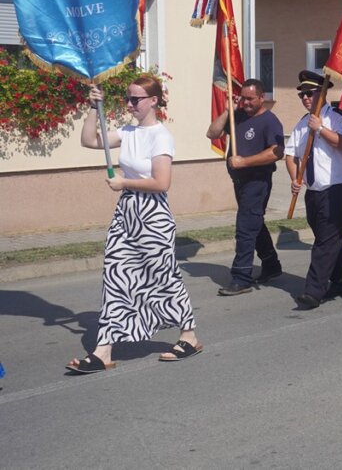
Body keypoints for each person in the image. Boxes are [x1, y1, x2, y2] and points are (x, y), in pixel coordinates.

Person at [67, 79, 200, 373]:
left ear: (153, 101)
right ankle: (103, 352)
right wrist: (92, 107)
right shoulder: (127, 132)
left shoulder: (161, 136)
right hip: (126, 213)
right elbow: (89, 141)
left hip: (152, 215)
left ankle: (188, 335)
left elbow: (162, 182)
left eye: (136, 99)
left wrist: (124, 181)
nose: (129, 104)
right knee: (115, 275)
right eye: (127, 98)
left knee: (162, 276)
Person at [284, 71, 342, 310]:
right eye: (301, 94)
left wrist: (320, 130)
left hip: (338, 189)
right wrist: (296, 177)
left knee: (325, 241)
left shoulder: (337, 117)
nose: (305, 98)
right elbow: (290, 155)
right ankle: (340, 279)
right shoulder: (301, 124)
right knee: (328, 238)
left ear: (322, 93)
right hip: (314, 190)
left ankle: (313, 291)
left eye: (309, 93)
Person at [207, 79, 285, 296]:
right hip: (239, 181)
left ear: (262, 98)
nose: (246, 103)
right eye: (243, 98)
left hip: (257, 181)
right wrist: (227, 112)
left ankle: (241, 277)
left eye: (251, 99)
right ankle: (271, 264)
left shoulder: (270, 121)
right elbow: (212, 134)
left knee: (245, 227)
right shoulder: (238, 116)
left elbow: (276, 152)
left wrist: (245, 161)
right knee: (254, 223)